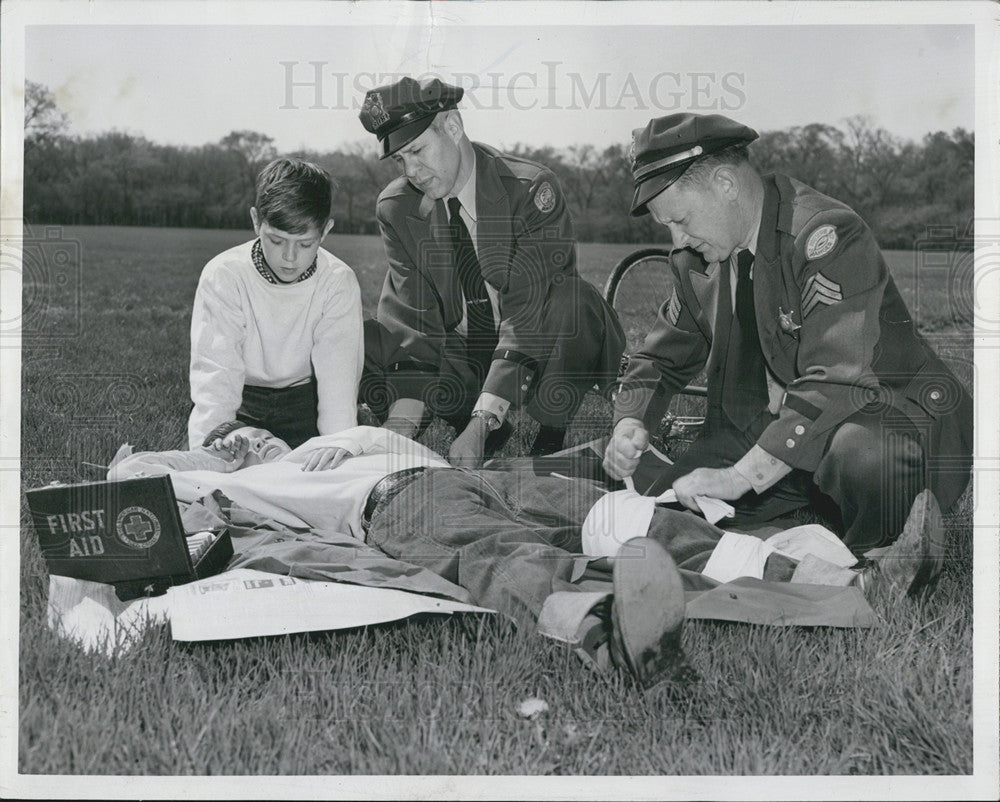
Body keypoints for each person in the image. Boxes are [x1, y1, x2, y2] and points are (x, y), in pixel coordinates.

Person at [111, 422, 940, 689]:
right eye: (231, 439)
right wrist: (224, 466)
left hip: (470, 474)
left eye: (252, 431)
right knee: (501, 558)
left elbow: (419, 443)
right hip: (405, 506)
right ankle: (610, 631)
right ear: (214, 458)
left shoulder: (337, 436)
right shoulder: (250, 482)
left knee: (639, 518)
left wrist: (337, 441)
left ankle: (855, 584)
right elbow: (136, 480)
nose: (249, 435)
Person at [603, 112, 973, 567]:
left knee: (865, 456)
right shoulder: (697, 260)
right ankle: (801, 523)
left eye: (680, 219)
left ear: (725, 183)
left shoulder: (826, 234)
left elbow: (837, 380)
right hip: (787, 430)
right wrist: (629, 424)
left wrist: (742, 476)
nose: (677, 239)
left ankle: (881, 555)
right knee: (662, 514)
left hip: (883, 416)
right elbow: (658, 359)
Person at [357, 77, 625, 467]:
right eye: (400, 159)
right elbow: (413, 321)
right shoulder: (396, 208)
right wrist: (401, 424)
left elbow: (528, 315)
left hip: (536, 351)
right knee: (363, 337)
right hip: (467, 353)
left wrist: (481, 422)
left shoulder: (529, 189)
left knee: (573, 299)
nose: (411, 170)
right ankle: (477, 424)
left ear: (452, 126)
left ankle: (547, 435)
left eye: (416, 150)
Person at [187, 157, 364, 450]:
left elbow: (338, 383)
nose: (290, 258)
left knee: (312, 476)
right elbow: (216, 374)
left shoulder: (338, 281)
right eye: (277, 241)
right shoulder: (224, 275)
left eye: (305, 243)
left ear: (326, 231)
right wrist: (208, 450)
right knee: (235, 468)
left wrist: (337, 446)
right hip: (243, 402)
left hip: (306, 401)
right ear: (257, 221)